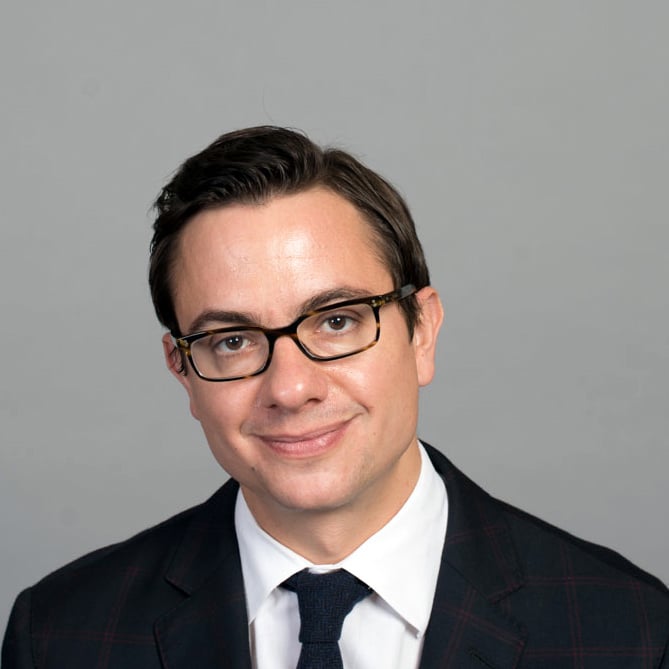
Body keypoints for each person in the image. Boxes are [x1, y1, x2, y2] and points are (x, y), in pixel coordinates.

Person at [3, 126, 668, 668]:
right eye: (232, 340)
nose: (291, 389)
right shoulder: (60, 636)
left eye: (338, 321)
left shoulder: (631, 632)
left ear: (422, 332)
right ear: (183, 372)